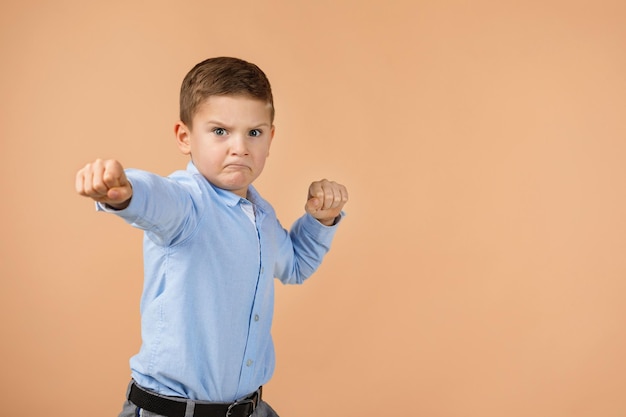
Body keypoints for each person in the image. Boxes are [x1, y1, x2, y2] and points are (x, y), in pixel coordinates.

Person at [75, 57, 348, 417]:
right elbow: (156, 198)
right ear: (185, 137)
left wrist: (321, 219)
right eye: (220, 131)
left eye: (254, 132)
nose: (240, 147)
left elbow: (294, 265)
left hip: (249, 408)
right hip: (173, 411)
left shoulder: (261, 217)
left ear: (271, 137)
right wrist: (123, 191)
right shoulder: (188, 204)